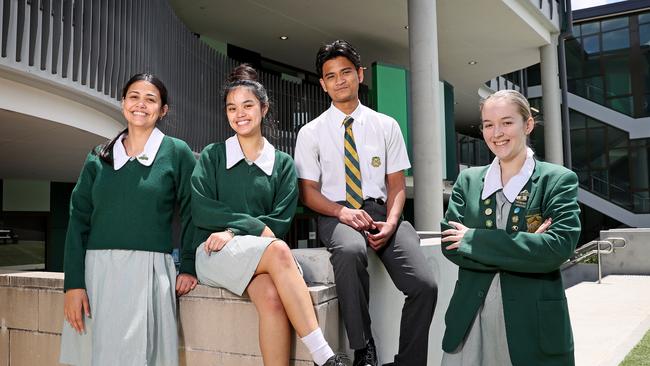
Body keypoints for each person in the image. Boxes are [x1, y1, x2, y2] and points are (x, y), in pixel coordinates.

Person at [191, 64, 348, 366]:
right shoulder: (213, 155)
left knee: (273, 301)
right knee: (277, 250)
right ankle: (324, 357)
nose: (240, 114)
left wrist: (233, 229)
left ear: (263, 108)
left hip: (256, 255)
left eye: (248, 105)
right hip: (213, 252)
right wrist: (245, 228)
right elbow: (201, 210)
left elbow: (278, 222)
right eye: (232, 108)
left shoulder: (283, 164)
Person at [294, 40, 437, 366]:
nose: (339, 80)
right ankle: (364, 349)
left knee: (424, 286)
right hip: (335, 212)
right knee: (349, 250)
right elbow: (308, 192)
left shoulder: (386, 125)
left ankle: (410, 361)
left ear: (359, 74)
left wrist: (391, 221)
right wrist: (341, 211)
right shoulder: (310, 132)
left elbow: (397, 185)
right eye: (331, 76)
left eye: (346, 72)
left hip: (381, 210)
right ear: (323, 83)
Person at [60, 73, 198, 366]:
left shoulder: (177, 152)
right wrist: (73, 284)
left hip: (149, 271)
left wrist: (188, 265)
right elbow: (78, 220)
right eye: (134, 96)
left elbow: (193, 212)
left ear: (163, 110)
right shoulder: (97, 156)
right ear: (123, 103)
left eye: (151, 99)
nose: (140, 105)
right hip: (97, 274)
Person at [440, 89, 580, 366]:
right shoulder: (467, 181)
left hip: (532, 323)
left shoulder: (557, 180)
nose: (497, 133)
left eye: (507, 122)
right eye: (488, 125)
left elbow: (557, 249)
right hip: (470, 322)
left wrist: (473, 240)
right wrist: (526, 248)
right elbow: (450, 245)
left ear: (527, 125)